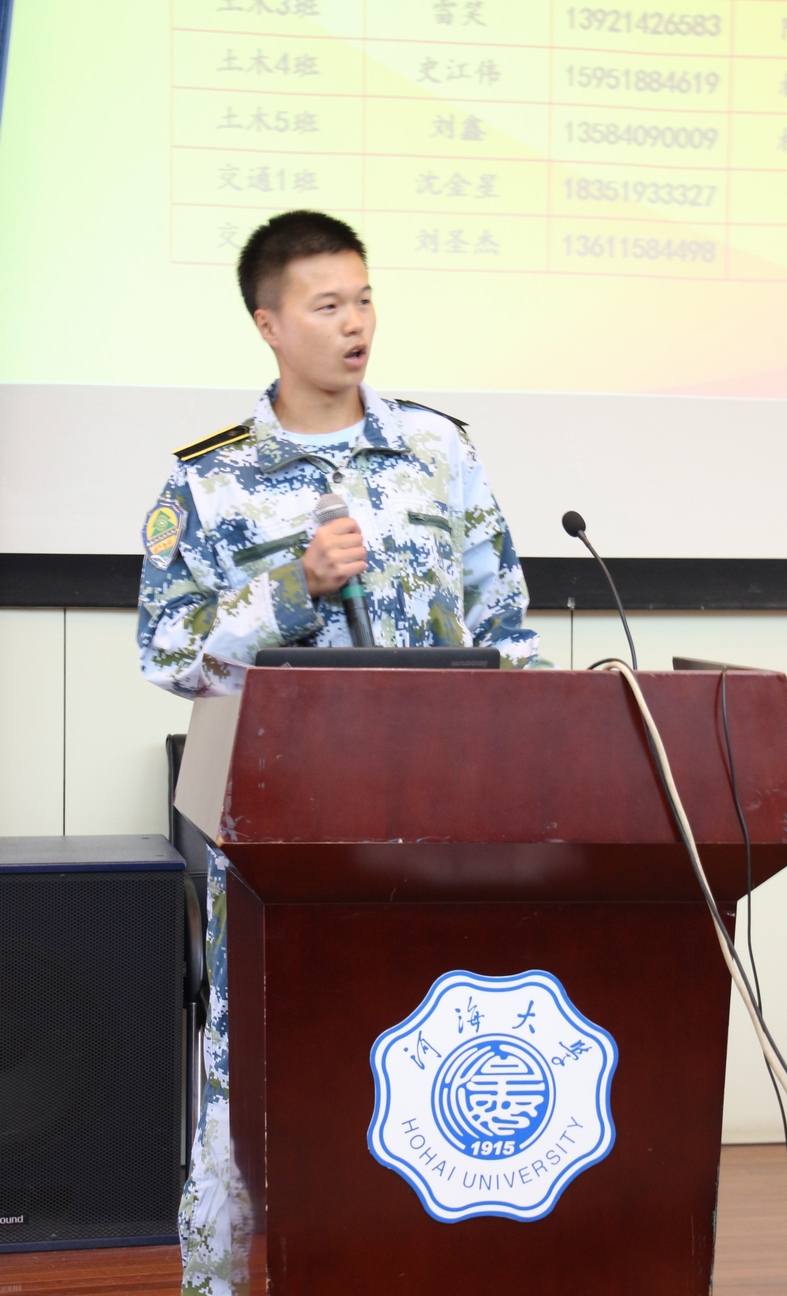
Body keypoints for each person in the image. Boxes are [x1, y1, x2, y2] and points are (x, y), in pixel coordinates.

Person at [137, 209, 541, 1295]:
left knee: (439, 1058)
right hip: (282, 831)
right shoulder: (210, 479)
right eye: (327, 306)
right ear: (269, 324)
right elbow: (166, 651)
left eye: (364, 300)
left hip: (449, 825)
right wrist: (292, 588)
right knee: (262, 1070)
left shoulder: (439, 451)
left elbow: (505, 627)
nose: (356, 323)